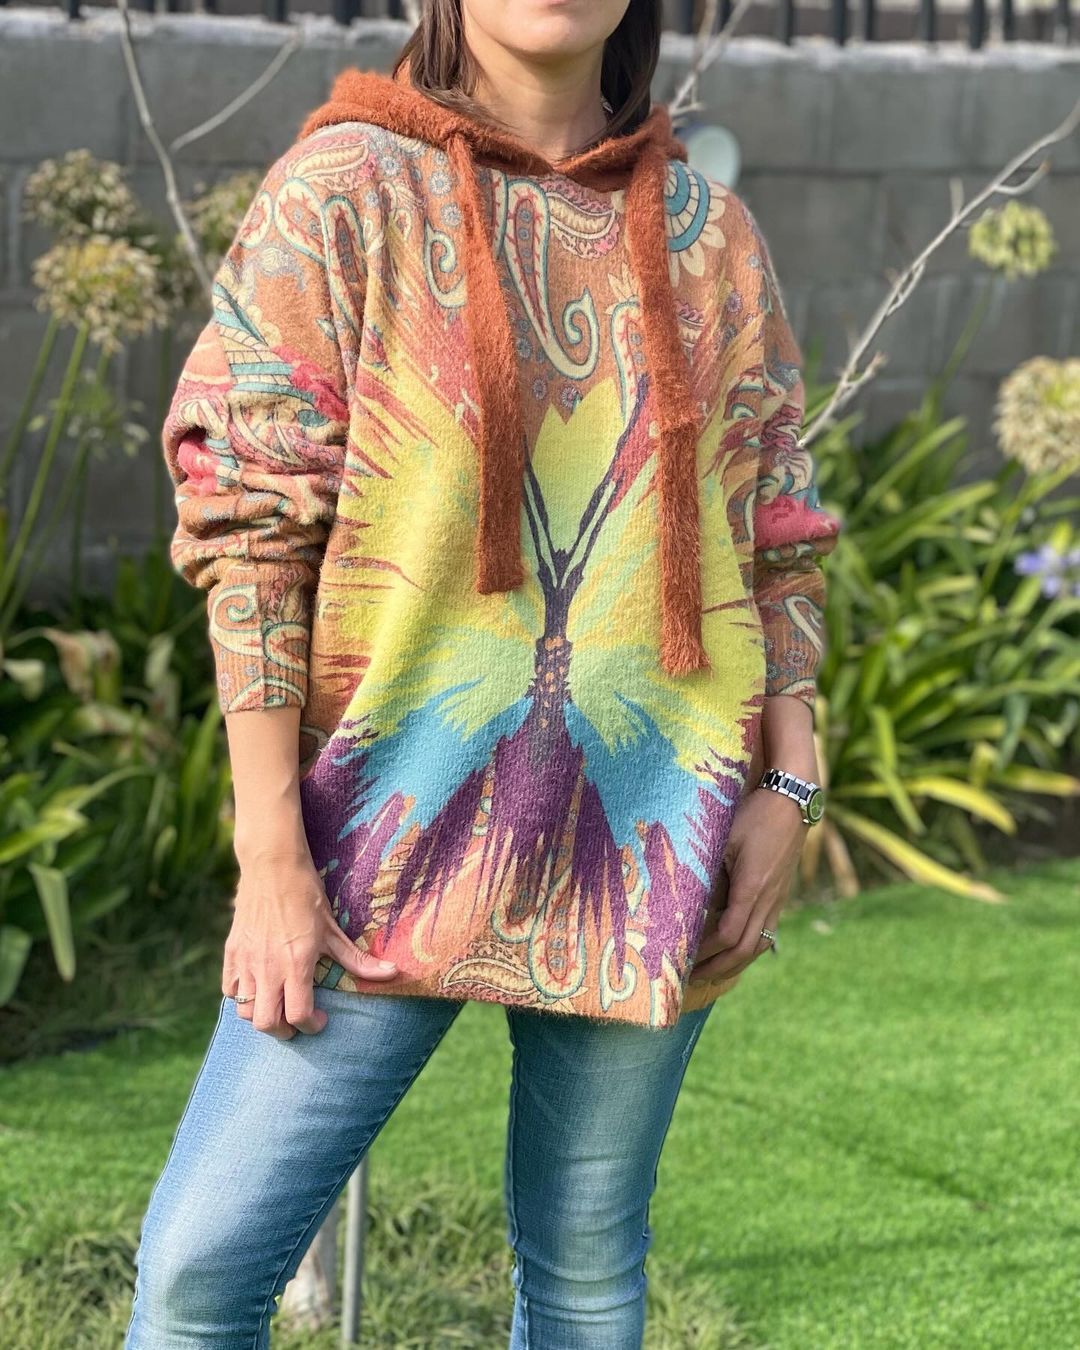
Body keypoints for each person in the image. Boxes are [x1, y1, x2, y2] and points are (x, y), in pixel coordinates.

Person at [124, 1, 841, 1345]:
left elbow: (775, 526)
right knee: (196, 1275)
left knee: (585, 1272)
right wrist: (269, 853)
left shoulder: (711, 237)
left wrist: (788, 783)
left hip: (647, 838)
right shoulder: (344, 191)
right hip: (371, 842)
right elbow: (250, 523)